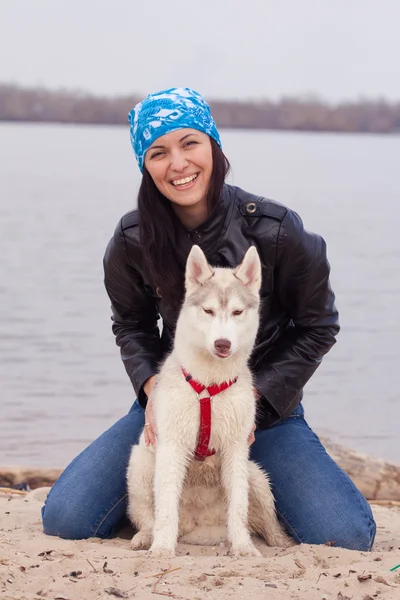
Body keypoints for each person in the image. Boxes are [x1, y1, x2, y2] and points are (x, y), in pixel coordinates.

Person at [41, 87, 376, 551]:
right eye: (158, 152)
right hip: (176, 399)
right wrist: (153, 390)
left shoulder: (278, 231)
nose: (177, 163)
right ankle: (168, 508)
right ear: (145, 166)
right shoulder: (132, 238)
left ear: (214, 147)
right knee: (66, 518)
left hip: (261, 406)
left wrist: (257, 398)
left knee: (346, 535)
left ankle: (237, 503)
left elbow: (319, 326)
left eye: (189, 143)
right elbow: (131, 327)